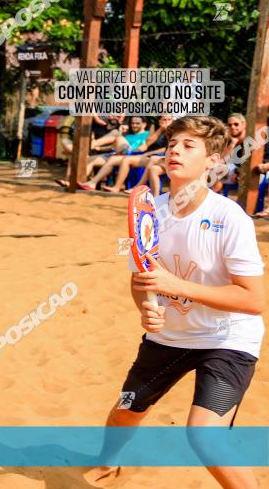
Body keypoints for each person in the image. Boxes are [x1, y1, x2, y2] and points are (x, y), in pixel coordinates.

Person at [84, 116, 265, 488]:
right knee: (125, 411)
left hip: (227, 340)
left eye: (188, 145)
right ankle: (107, 464)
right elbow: (141, 280)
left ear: (213, 161)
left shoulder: (230, 218)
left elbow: (253, 300)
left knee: (204, 437)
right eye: (172, 145)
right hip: (170, 337)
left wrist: (176, 286)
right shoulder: (149, 213)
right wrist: (145, 308)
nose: (174, 151)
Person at [79, 116, 171, 192]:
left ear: (144, 124)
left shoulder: (157, 132)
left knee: (116, 134)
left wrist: (146, 153)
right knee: (101, 159)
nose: (134, 125)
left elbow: (147, 146)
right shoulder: (146, 132)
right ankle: (92, 183)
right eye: (164, 119)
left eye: (168, 119)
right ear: (159, 121)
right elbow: (149, 142)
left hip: (136, 153)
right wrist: (160, 130)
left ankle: (92, 144)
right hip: (125, 154)